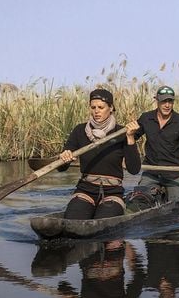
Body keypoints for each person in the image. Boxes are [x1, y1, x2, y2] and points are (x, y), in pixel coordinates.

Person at [59, 88, 141, 219]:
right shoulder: (79, 131)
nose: (96, 111)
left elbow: (134, 169)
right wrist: (65, 157)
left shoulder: (121, 132)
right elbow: (61, 168)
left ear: (111, 108)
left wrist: (130, 138)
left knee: (103, 221)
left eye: (101, 107)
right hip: (85, 190)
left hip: (112, 193)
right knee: (73, 219)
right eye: (93, 107)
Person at [134, 85, 179, 200]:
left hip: (173, 174)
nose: (167, 105)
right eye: (163, 101)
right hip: (151, 172)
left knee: (178, 206)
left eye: (170, 101)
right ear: (156, 100)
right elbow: (131, 138)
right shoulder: (146, 118)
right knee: (139, 201)